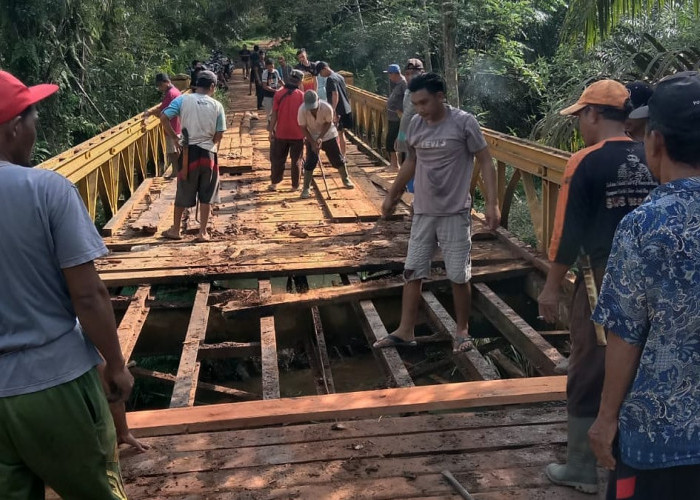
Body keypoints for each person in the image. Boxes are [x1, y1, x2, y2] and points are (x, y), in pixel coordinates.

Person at [0, 70, 134, 498]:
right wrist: (114, 365)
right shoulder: (46, 189)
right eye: (33, 117)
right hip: (53, 384)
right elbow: (88, 294)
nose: (35, 128)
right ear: (14, 127)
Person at [536, 79, 658, 494]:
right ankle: (634, 462)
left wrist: (552, 287)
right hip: (653, 277)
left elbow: (567, 234)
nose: (580, 125)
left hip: (600, 279)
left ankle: (581, 468)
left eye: (581, 117)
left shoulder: (584, 161)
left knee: (588, 365)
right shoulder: (652, 154)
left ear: (592, 114)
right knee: (641, 361)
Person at [588, 71, 700, 500]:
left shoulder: (644, 226)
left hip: (659, 441)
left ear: (655, 143)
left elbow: (626, 334)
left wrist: (605, 418)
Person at [374, 73, 500, 351]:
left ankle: (462, 331)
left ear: (440, 97)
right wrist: (392, 195)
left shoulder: (464, 123)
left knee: (458, 274)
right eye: (416, 103)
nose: (420, 109)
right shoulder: (416, 123)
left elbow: (486, 161)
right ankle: (405, 330)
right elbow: (411, 161)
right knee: (412, 271)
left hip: (455, 212)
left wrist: (492, 203)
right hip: (423, 211)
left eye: (424, 102)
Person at [160, 70, 226, 243]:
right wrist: (210, 141)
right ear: (212, 86)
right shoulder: (217, 105)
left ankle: (175, 230)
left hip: (188, 153)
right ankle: (202, 232)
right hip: (208, 153)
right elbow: (219, 134)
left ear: (197, 85)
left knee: (183, 189)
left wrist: (175, 137)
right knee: (207, 193)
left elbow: (164, 117)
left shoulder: (182, 99)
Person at [297, 90, 354, 198]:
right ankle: (306, 188)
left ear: (318, 100)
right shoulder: (302, 110)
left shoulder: (326, 108)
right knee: (310, 161)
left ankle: (345, 179)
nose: (312, 109)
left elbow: (328, 123)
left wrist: (320, 138)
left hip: (328, 135)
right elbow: (303, 128)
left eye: (314, 106)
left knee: (337, 158)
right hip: (311, 135)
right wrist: (313, 142)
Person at [268, 69, 305, 191]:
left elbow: (274, 114)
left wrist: (271, 131)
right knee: (296, 160)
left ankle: (274, 183)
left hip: (281, 132)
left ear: (289, 79)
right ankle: (295, 186)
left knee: (278, 159)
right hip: (298, 133)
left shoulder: (278, 94)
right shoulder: (302, 96)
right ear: (300, 81)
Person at [397, 58, 425, 193]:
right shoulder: (408, 90)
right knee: (408, 167)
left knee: (419, 170)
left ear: (422, 73)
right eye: (407, 74)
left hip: (420, 138)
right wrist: (401, 137)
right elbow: (406, 115)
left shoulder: (426, 92)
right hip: (406, 136)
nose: (409, 77)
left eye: (413, 73)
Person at [144, 73, 181, 175]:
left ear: (166, 82)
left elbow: (162, 110)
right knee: (176, 150)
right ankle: (178, 171)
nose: (159, 88)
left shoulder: (170, 94)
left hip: (171, 126)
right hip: (177, 124)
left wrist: (148, 113)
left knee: (171, 152)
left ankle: (175, 172)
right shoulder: (176, 91)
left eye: (160, 85)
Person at [316, 61, 353, 158]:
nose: (321, 75)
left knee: (337, 133)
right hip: (346, 108)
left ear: (324, 69)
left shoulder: (330, 79)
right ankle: (342, 155)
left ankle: (340, 156)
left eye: (320, 72)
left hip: (338, 110)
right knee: (341, 133)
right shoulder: (339, 76)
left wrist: (333, 111)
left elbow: (335, 94)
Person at [385, 64, 407, 170]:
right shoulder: (398, 84)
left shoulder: (404, 83)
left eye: (389, 74)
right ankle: (393, 164)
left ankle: (395, 166)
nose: (389, 76)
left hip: (398, 119)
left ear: (395, 73)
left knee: (393, 140)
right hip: (392, 117)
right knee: (392, 140)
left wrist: (400, 111)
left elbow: (408, 100)